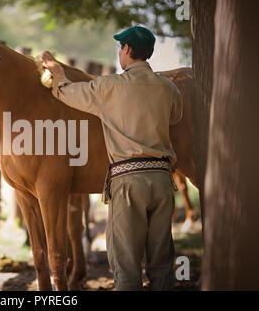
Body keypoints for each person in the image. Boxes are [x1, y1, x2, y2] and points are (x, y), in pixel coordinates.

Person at [41, 25, 183, 291]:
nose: (119, 52)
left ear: (127, 49)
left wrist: (58, 74)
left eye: (120, 47)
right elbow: (175, 117)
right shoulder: (168, 89)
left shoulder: (110, 87)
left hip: (128, 182)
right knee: (162, 265)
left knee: (127, 266)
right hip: (163, 182)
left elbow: (67, 93)